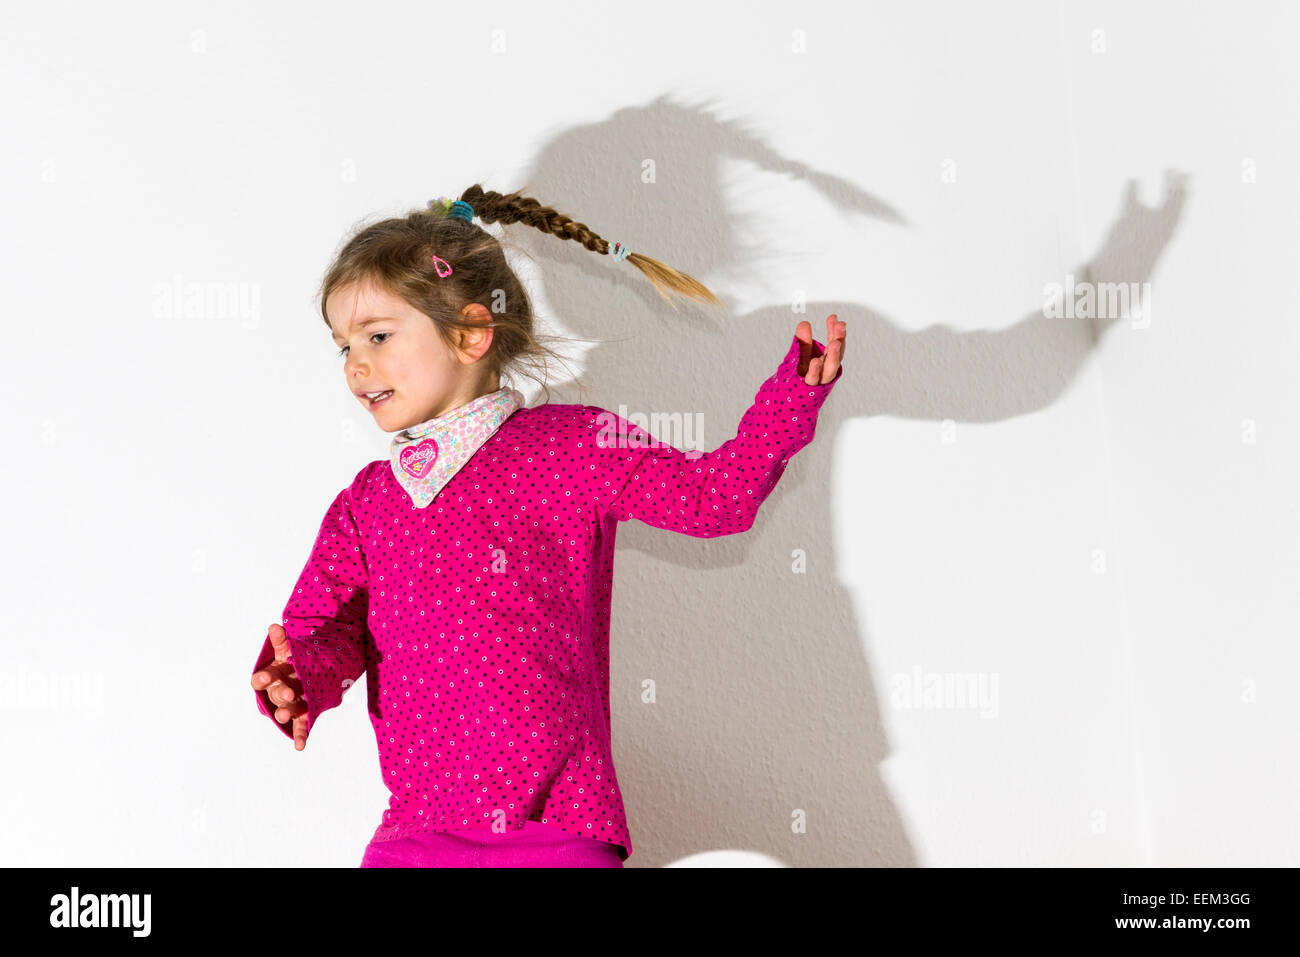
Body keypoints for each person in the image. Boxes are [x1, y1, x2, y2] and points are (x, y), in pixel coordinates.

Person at [249, 185, 846, 867]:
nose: (356, 364)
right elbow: (324, 632)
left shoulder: (572, 446)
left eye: (378, 336)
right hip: (416, 829)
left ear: (473, 332)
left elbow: (714, 500)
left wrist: (789, 402)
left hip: (556, 822)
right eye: (343, 346)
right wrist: (296, 680)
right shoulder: (367, 502)